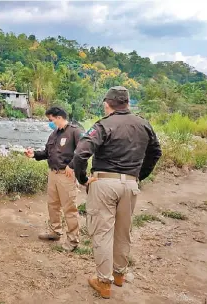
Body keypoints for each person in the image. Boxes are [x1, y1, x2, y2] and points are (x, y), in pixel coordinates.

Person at [73, 86, 162, 299]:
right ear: (127, 103)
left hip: (104, 183)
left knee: (102, 231)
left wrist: (84, 179)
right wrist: (139, 175)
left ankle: (104, 282)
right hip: (130, 184)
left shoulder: (103, 125)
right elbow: (156, 152)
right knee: (123, 231)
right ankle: (119, 274)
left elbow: (80, 154)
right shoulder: (144, 124)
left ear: (107, 103)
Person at [25, 107, 83, 251]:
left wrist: (73, 166)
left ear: (59, 117)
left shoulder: (74, 132)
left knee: (69, 208)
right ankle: (55, 231)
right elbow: (47, 153)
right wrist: (34, 155)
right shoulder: (53, 134)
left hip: (67, 175)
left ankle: (73, 240)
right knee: (53, 205)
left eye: (51, 119)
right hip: (53, 174)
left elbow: (83, 151)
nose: (50, 122)